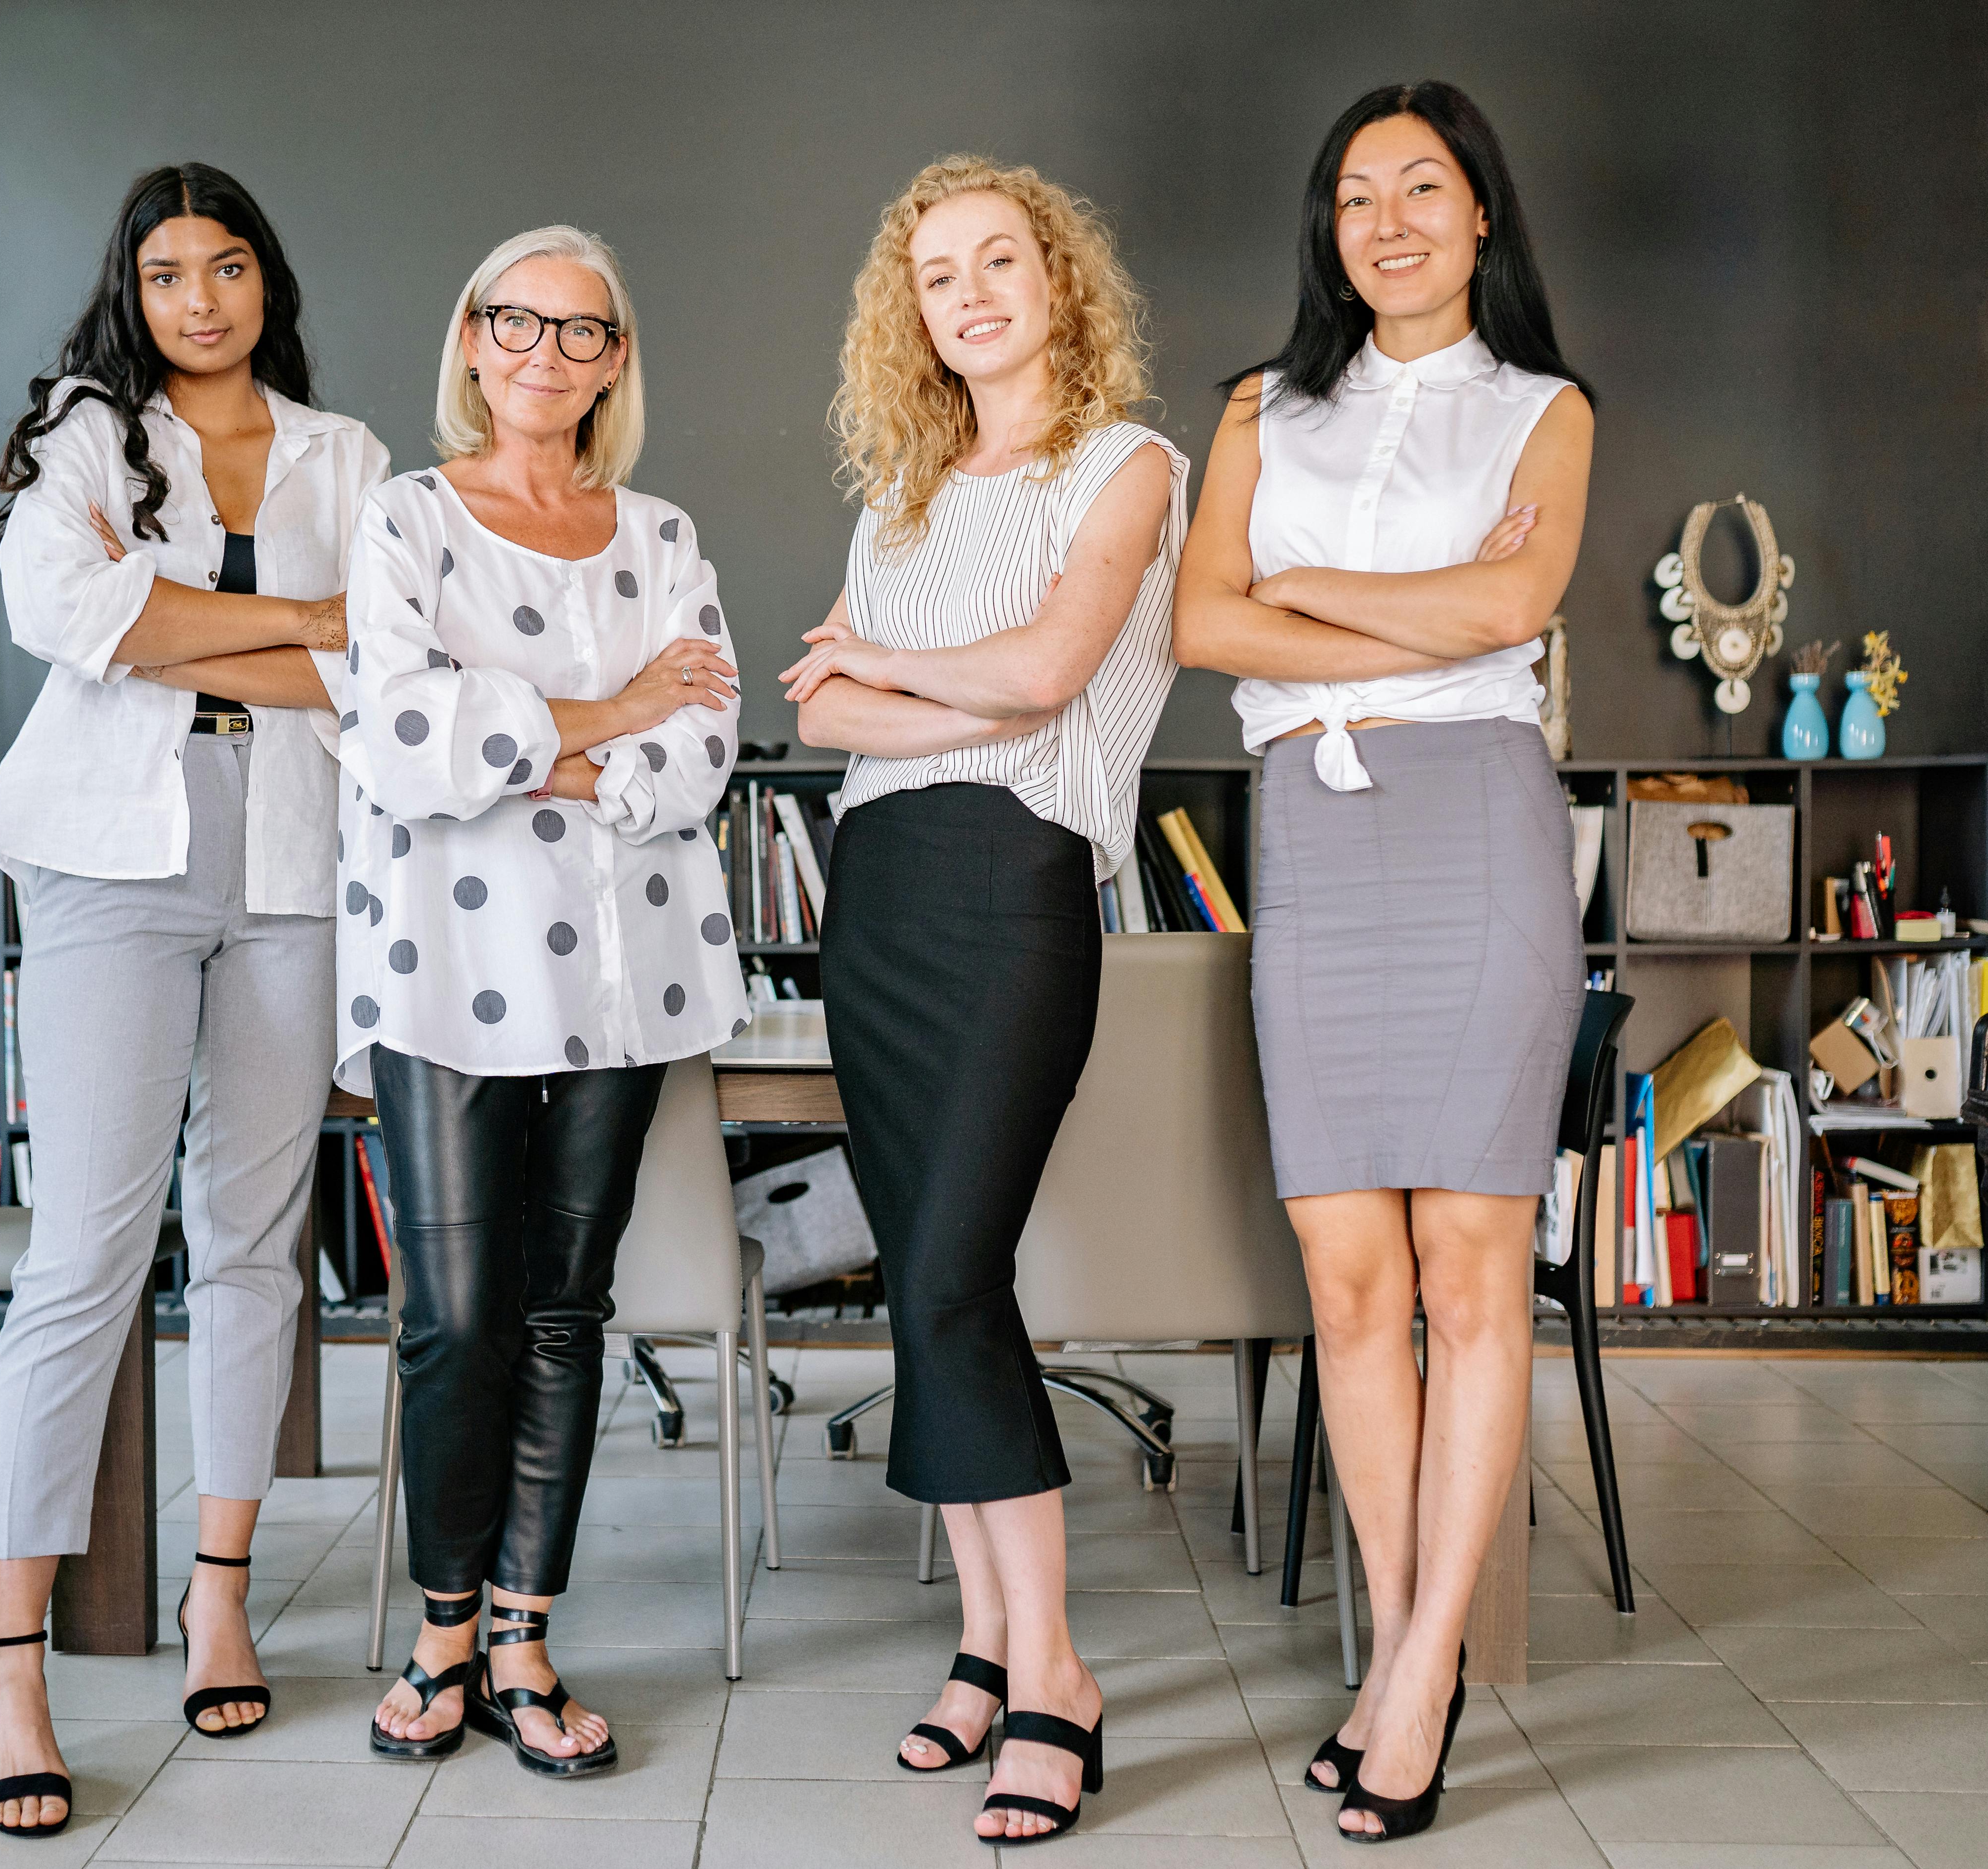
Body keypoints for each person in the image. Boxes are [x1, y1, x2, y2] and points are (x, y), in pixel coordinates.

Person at [1171, 81, 1594, 1844]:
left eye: (1427, 187)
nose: (1392, 219)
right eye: (1358, 194)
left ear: (1483, 214)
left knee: (1473, 1273)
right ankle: (1405, 1635)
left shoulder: (1547, 411)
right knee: (1353, 1276)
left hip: (1482, 823)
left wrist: (1311, 595)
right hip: (1322, 838)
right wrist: (1393, 592)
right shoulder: (1258, 407)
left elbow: (1513, 617)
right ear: (1329, 230)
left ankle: (1415, 1671)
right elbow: (1201, 624)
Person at [0, 163, 388, 1837]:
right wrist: (293, 620)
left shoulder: (344, 455)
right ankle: (12, 1668)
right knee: (82, 1256)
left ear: (267, 280)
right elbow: (58, 612)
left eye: (226, 267)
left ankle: (222, 1587)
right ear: (129, 291)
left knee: (254, 1240)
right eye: (164, 272)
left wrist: (168, 628)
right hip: (108, 861)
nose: (199, 298)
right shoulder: (84, 433)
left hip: (291, 858)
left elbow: (385, 664)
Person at [783, 155, 1183, 1846]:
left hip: (1021, 887)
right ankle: (980, 1638)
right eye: (938, 275)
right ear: (916, 312)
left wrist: (915, 674)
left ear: (1057, 278)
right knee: (935, 1284)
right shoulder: (905, 496)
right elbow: (821, 716)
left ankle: (1057, 1679)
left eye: (999, 260)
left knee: (948, 1273)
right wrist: (950, 684)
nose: (972, 294)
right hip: (876, 901)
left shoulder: (1131, 465)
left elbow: (1052, 676)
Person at [343, 225, 746, 1781]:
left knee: (567, 1311)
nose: (545, 354)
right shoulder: (406, 521)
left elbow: (698, 751)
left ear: (616, 362)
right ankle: (439, 1627)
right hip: (438, 970)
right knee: (455, 1317)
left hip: (620, 970)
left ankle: (520, 1634)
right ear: (471, 336)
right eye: (517, 322)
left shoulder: (660, 535)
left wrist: (526, 747)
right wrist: (606, 718)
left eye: (583, 333)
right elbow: (395, 738)